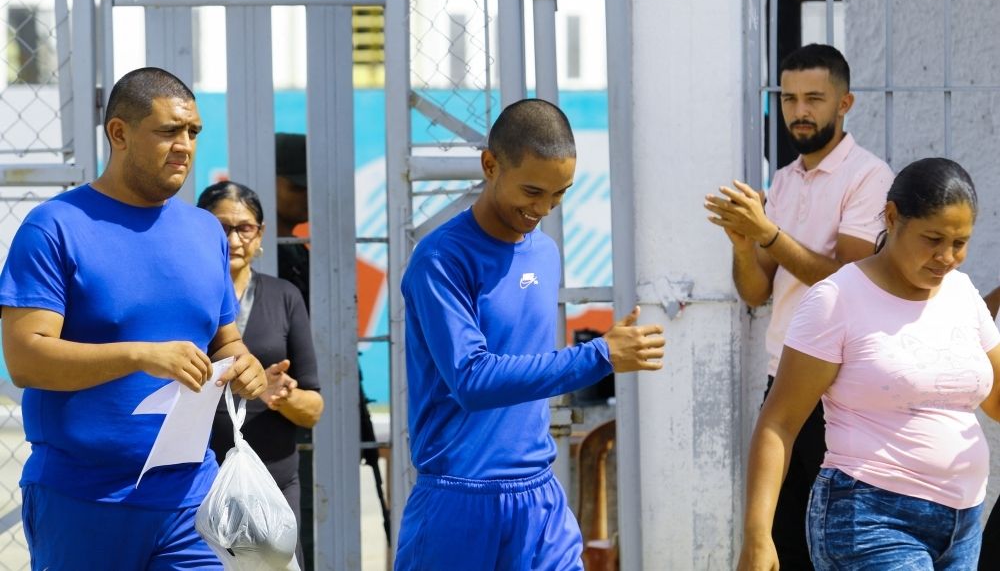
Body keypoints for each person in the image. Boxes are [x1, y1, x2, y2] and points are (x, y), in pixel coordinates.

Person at [0, 67, 267, 569]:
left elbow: (225, 342)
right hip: (83, 498)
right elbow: (25, 359)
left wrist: (243, 364)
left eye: (192, 132)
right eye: (168, 131)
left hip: (192, 497)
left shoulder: (205, 231)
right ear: (119, 133)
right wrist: (139, 356)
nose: (185, 145)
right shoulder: (54, 227)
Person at [394, 98, 666, 570]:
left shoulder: (545, 253)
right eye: (533, 191)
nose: (543, 208)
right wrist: (598, 355)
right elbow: (472, 379)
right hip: (459, 502)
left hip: (539, 502)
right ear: (490, 165)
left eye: (560, 194)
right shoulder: (440, 260)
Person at [738, 157, 1000, 570]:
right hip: (869, 518)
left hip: (964, 524)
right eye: (932, 239)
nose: (947, 257)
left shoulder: (963, 294)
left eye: (959, 242)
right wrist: (757, 536)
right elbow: (778, 424)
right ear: (892, 217)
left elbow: (998, 402)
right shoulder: (837, 300)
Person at [705, 43, 893, 568]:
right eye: (789, 99)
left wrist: (768, 233)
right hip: (783, 373)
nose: (800, 111)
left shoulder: (869, 177)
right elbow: (755, 291)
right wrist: (745, 244)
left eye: (814, 98)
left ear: (845, 103)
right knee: (784, 541)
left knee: (839, 540)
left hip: (842, 382)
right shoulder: (784, 181)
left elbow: (852, 280)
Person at [273, 132, 391, 554]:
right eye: (296, 186)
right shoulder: (265, 259)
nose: (306, 197)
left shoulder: (300, 254)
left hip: (306, 408)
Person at [197, 180, 324, 566]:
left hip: (272, 482)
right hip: (199, 481)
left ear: (261, 234)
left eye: (244, 227)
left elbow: (314, 408)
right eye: (221, 228)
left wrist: (283, 395)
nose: (234, 239)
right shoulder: (187, 295)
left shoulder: (284, 296)